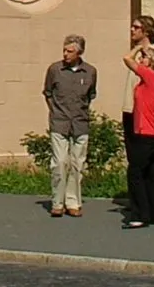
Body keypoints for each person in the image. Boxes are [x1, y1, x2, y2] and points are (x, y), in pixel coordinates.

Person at [41, 34, 98, 218]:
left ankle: (73, 202)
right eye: (64, 50)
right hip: (60, 122)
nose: (65, 54)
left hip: (80, 123)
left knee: (77, 164)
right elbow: (48, 93)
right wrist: (56, 112)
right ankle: (57, 202)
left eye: (70, 51)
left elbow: (90, 95)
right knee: (59, 163)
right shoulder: (55, 70)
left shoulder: (90, 72)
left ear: (79, 52)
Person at [123, 40, 154, 229]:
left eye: (144, 58)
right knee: (150, 173)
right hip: (151, 133)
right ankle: (153, 212)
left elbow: (127, 59)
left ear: (151, 63)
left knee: (135, 173)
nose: (141, 59)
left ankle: (139, 214)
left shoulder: (151, 77)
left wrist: (139, 48)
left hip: (145, 134)